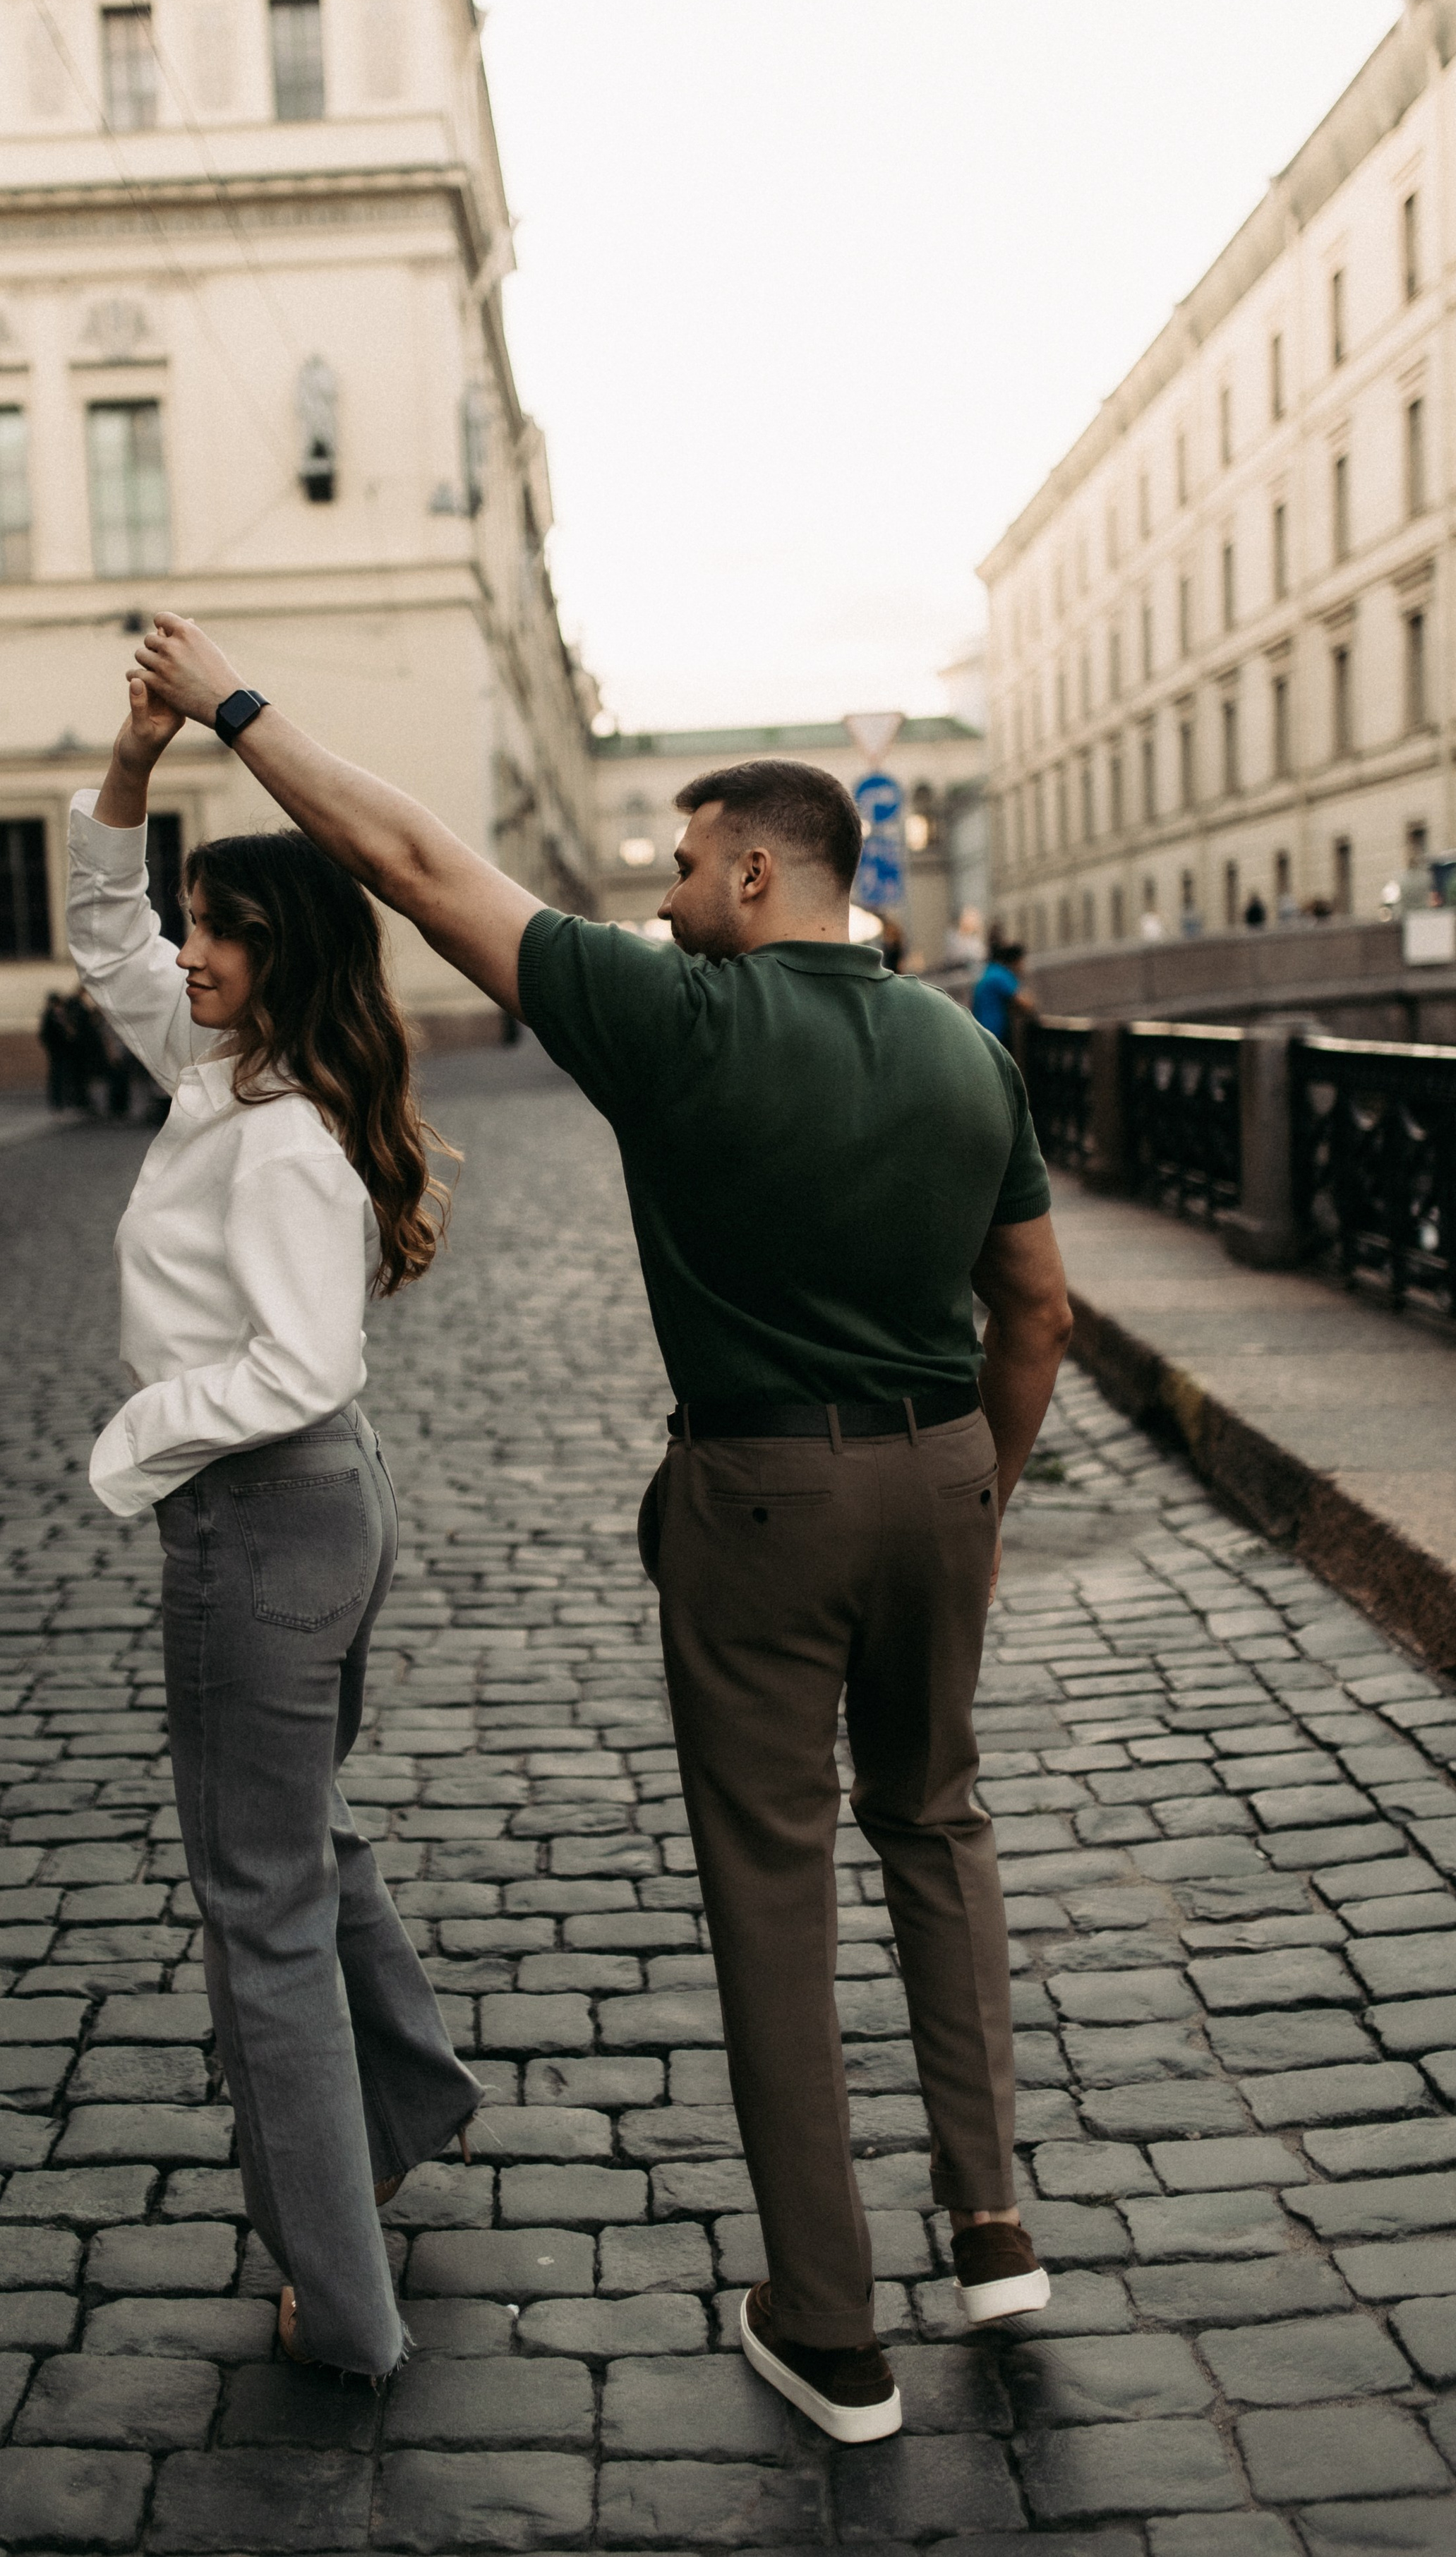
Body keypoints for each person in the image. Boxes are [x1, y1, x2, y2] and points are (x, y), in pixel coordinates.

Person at [131, 613, 1074, 2448]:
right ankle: (991, 2224)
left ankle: (832, 2329)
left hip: (761, 1491)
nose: (662, 894)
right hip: (948, 1471)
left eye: (684, 866)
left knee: (775, 1880)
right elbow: (1032, 1307)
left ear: (755, 871)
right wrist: (977, 1496)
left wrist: (233, 703)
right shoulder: (970, 1050)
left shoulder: (675, 1016)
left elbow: (412, 862)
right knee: (938, 1821)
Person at [64, 676, 484, 2383]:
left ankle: (344, 2303)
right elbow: (104, 936)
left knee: (259, 1906)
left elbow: (302, 1361)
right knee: (296, 1841)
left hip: (265, 1517)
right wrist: (133, 758)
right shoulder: (221, 1071)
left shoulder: (286, 1134)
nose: (190, 951)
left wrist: (135, 1439)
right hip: (303, 1513)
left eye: (222, 930)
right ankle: (407, 2099)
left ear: (282, 951)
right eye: (194, 922)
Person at [970, 938, 1033, 1044]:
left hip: (981, 1029)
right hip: (993, 1032)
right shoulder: (1002, 975)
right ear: (1016, 961)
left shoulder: (990, 970)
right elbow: (1026, 1005)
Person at [38, 991, 80, 1109]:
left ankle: (63, 1100)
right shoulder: (50, 1016)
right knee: (57, 1076)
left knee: (62, 1075)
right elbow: (46, 1035)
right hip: (57, 1051)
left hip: (62, 1050)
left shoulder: (58, 1015)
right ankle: (57, 1102)